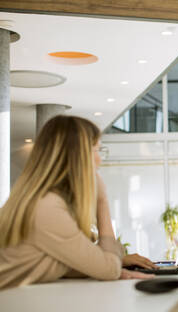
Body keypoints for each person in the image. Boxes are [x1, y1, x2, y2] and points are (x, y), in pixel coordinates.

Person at [0, 115, 153, 289]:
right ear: (78, 158)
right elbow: (109, 269)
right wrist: (102, 201)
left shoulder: (44, 201)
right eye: (96, 150)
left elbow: (61, 264)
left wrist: (108, 266)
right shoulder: (47, 207)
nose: (99, 160)